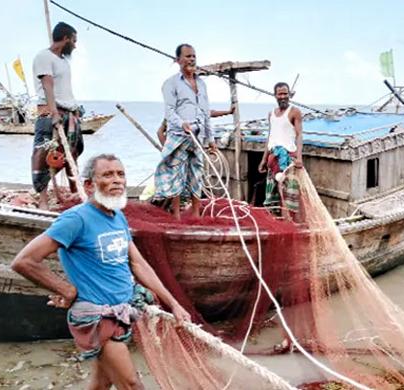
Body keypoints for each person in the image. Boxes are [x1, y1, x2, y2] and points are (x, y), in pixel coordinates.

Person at [12, 153, 191, 390]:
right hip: (96, 317)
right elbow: (24, 261)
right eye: (108, 174)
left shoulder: (117, 216)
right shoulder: (76, 219)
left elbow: (138, 265)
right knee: (131, 384)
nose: (117, 180)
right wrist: (67, 290)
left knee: (101, 383)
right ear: (89, 184)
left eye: (121, 174)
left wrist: (174, 304)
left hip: (120, 313)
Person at [154, 44, 216, 219]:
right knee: (176, 173)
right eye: (188, 56)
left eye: (194, 56)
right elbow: (170, 111)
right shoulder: (170, 83)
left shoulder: (202, 84)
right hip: (179, 134)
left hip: (198, 136)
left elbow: (206, 112)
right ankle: (176, 214)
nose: (192, 59)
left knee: (197, 172)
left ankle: (196, 214)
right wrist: (182, 124)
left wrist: (210, 138)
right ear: (178, 60)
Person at [31, 22, 85, 210]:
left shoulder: (62, 61)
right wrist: (54, 114)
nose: (75, 45)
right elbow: (48, 86)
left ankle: (75, 195)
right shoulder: (44, 56)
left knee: (71, 155)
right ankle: (43, 201)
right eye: (74, 41)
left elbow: (65, 90)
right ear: (65, 38)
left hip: (68, 114)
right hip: (50, 114)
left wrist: (75, 110)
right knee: (43, 155)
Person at [257, 82, 304, 221]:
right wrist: (264, 160)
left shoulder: (294, 112)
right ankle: (276, 222)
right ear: (275, 95)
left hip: (288, 160)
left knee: (289, 195)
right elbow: (270, 137)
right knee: (273, 193)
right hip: (273, 159)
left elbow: (299, 135)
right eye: (280, 94)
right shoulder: (271, 113)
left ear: (289, 95)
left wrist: (299, 157)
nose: (283, 96)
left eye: (285, 93)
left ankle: (289, 223)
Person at [156, 105, 236, 146]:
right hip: (176, 149)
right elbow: (160, 132)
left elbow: (211, 113)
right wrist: (166, 148)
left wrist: (228, 112)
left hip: (192, 149)